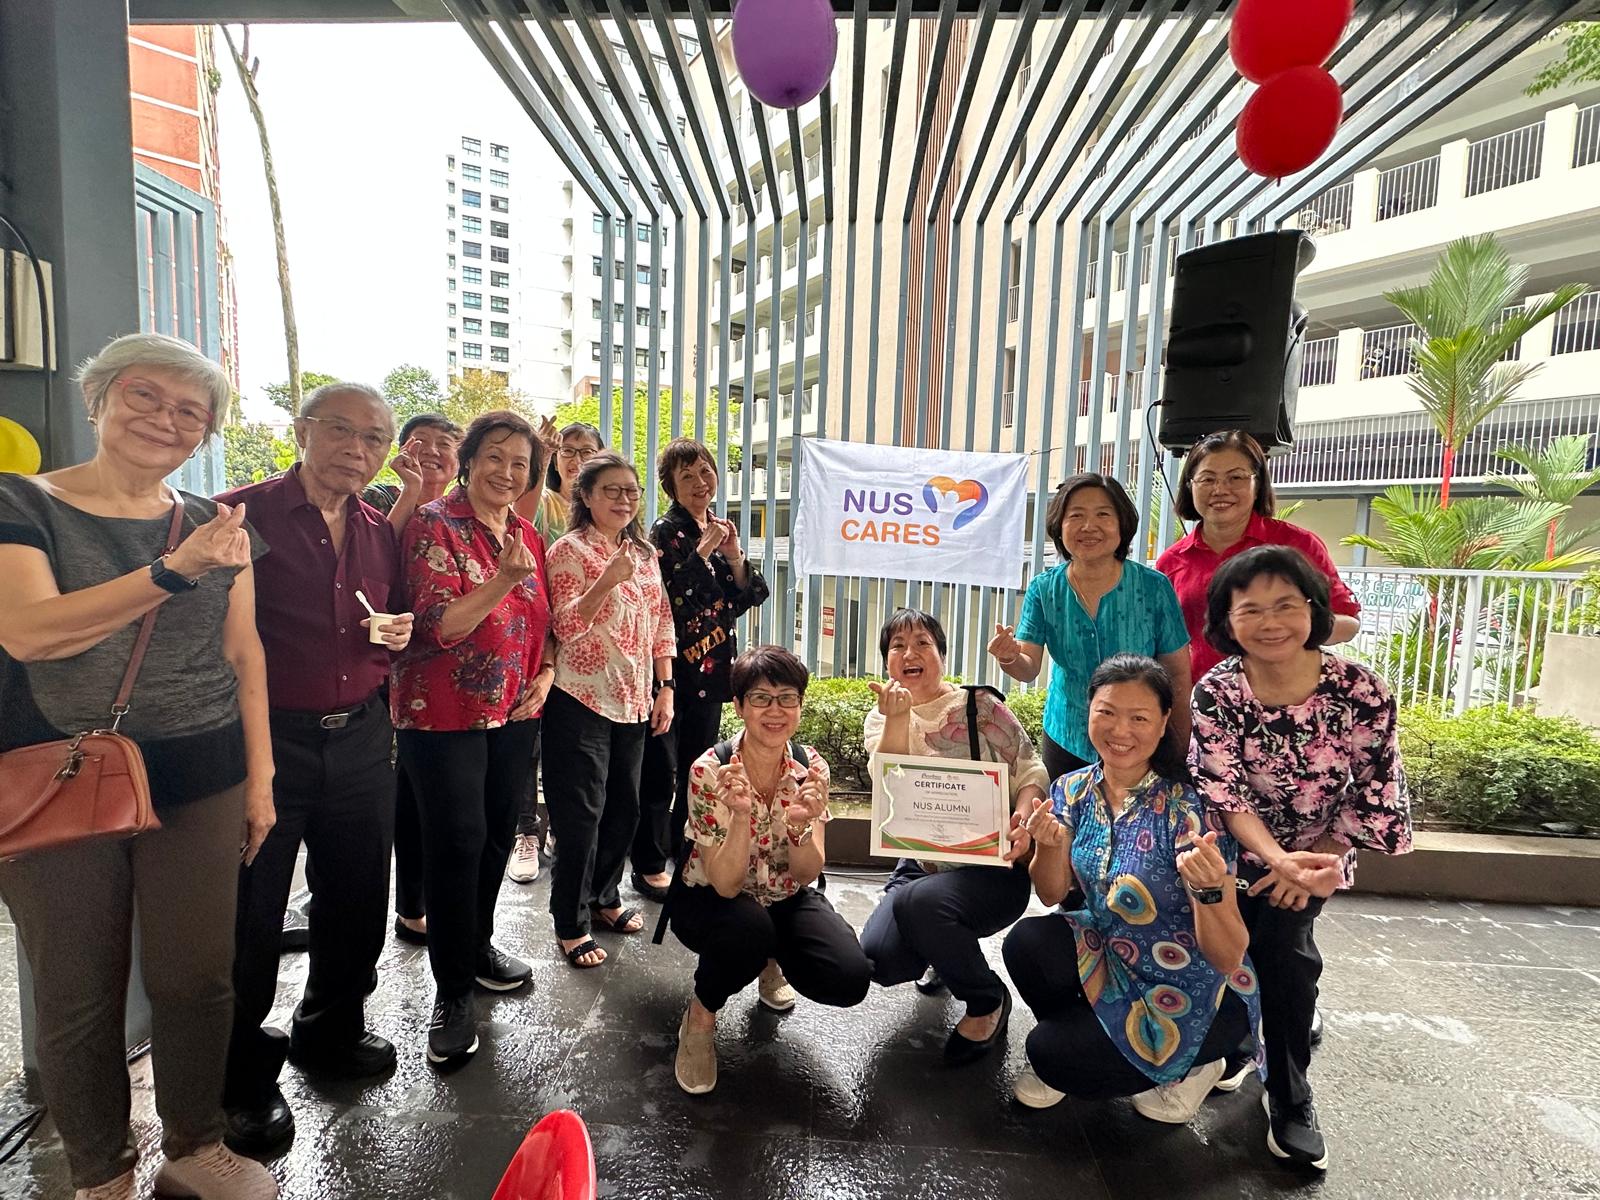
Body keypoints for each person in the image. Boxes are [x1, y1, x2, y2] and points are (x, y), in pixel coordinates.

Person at [0, 332, 278, 1200]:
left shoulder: (216, 525)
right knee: (78, 989)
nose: (166, 419)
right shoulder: (21, 501)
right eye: (144, 396)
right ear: (98, 401)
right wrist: (171, 570)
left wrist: (262, 778)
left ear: (206, 433)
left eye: (190, 411)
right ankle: (101, 1171)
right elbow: (30, 632)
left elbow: (244, 653)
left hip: (204, 774)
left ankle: (195, 1146)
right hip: (60, 775)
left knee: (197, 978)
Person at [216, 383, 414, 1155]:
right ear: (301, 431)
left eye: (374, 438)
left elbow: (386, 619)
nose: (357, 451)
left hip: (360, 734)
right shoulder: (237, 516)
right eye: (341, 430)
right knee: (251, 914)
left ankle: (330, 1029)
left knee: (358, 897)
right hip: (266, 741)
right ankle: (242, 1078)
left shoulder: (378, 530)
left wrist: (394, 633)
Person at [1190, 545, 1412, 1171]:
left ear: (1315, 609)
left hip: (1321, 849)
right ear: (1226, 621)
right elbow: (1223, 791)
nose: (1271, 622)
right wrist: (1275, 860)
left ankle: (1290, 1096)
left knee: (1284, 956)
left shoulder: (1361, 689)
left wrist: (1315, 861)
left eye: (1286, 604)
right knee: (1231, 947)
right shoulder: (1218, 691)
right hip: (1238, 847)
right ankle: (1238, 1044)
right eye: (1250, 609)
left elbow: (1375, 785)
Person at [1001, 656, 1285, 1128]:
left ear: (1164, 722)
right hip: (1114, 954)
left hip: (1197, 988)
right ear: (1088, 710)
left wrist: (1210, 890)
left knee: (1048, 1053)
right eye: (1107, 712)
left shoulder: (1189, 809)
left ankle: (1195, 1065)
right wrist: (1048, 846)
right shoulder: (1072, 789)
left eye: (1139, 718)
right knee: (1027, 943)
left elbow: (1227, 957)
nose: (1120, 730)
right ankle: (1093, 1043)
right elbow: (1051, 895)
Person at [392, 410, 555, 1066]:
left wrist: (546, 674)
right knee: (455, 845)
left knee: (492, 838)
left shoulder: (525, 532)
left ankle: (476, 946)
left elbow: (543, 622)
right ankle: (452, 991)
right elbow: (439, 626)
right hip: (444, 714)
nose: (506, 472)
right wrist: (503, 580)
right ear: (469, 460)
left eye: (520, 463)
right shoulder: (434, 523)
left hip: (515, 714)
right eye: (494, 457)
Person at [669, 645, 871, 1095]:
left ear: (800, 704)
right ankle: (700, 1017)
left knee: (849, 975)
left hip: (783, 895)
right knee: (748, 930)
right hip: (712, 899)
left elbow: (806, 873)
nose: (775, 710)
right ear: (739, 705)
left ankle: (770, 960)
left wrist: (799, 826)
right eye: (761, 698)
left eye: (787, 698)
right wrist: (741, 815)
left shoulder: (811, 767)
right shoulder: (710, 771)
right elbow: (725, 886)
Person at [858, 609, 1044, 1064]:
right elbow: (887, 785)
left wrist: (1023, 816)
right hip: (922, 865)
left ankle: (986, 999)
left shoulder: (979, 707)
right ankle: (945, 951)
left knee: (918, 905)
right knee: (880, 958)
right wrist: (897, 717)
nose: (910, 653)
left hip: (992, 867)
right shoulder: (880, 718)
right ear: (887, 662)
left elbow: (1031, 769)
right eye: (898, 646)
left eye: (923, 643)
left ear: (942, 655)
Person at [543, 451, 675, 969]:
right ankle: (570, 922)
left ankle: (603, 897)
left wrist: (666, 687)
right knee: (581, 817)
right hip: (581, 698)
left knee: (625, 809)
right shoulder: (568, 550)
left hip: (635, 698)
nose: (624, 499)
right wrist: (606, 580)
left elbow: (661, 621)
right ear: (586, 496)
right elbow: (564, 626)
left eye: (631, 491)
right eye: (611, 490)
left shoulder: (643, 552)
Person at [632, 437, 768, 903]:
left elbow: (745, 597)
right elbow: (669, 599)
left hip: (712, 673)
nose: (699, 482)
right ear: (670, 486)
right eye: (686, 476)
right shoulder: (664, 531)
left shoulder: (716, 527)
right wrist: (704, 553)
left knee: (697, 769)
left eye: (705, 472)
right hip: (669, 672)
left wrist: (732, 553)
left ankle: (686, 852)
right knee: (659, 771)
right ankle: (649, 863)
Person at [989, 472, 1191, 780]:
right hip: (1067, 735)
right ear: (1060, 526)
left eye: (1103, 515)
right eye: (1076, 516)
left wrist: (1180, 744)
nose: (1088, 526)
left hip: (1138, 737)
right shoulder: (1044, 589)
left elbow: (1176, 673)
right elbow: (1028, 667)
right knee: (1065, 811)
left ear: (1122, 524)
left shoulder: (1154, 587)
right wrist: (1009, 657)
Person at [360, 412, 462, 948]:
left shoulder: (464, 513)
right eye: (423, 443)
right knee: (394, 790)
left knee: (428, 793)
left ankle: (422, 903)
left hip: (441, 667)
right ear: (402, 449)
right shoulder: (378, 498)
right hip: (378, 663)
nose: (435, 453)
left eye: (447, 444)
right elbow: (377, 556)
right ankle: (406, 906)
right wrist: (409, 492)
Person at [1156, 429, 1361, 682]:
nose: (1220, 489)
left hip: (1286, 694)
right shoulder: (1171, 561)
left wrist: (1287, 626)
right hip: (1200, 697)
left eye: (1235, 477)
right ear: (1190, 486)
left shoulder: (1298, 545)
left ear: (1258, 484)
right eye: (1207, 479)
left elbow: (1348, 623)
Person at [504, 418, 596, 884]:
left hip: (585, 647)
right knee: (528, 739)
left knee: (568, 746)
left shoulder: (601, 509)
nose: (576, 459)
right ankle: (525, 832)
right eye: (568, 450)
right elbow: (521, 518)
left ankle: (560, 827)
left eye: (586, 451)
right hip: (537, 633)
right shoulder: (544, 503)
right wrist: (538, 456)